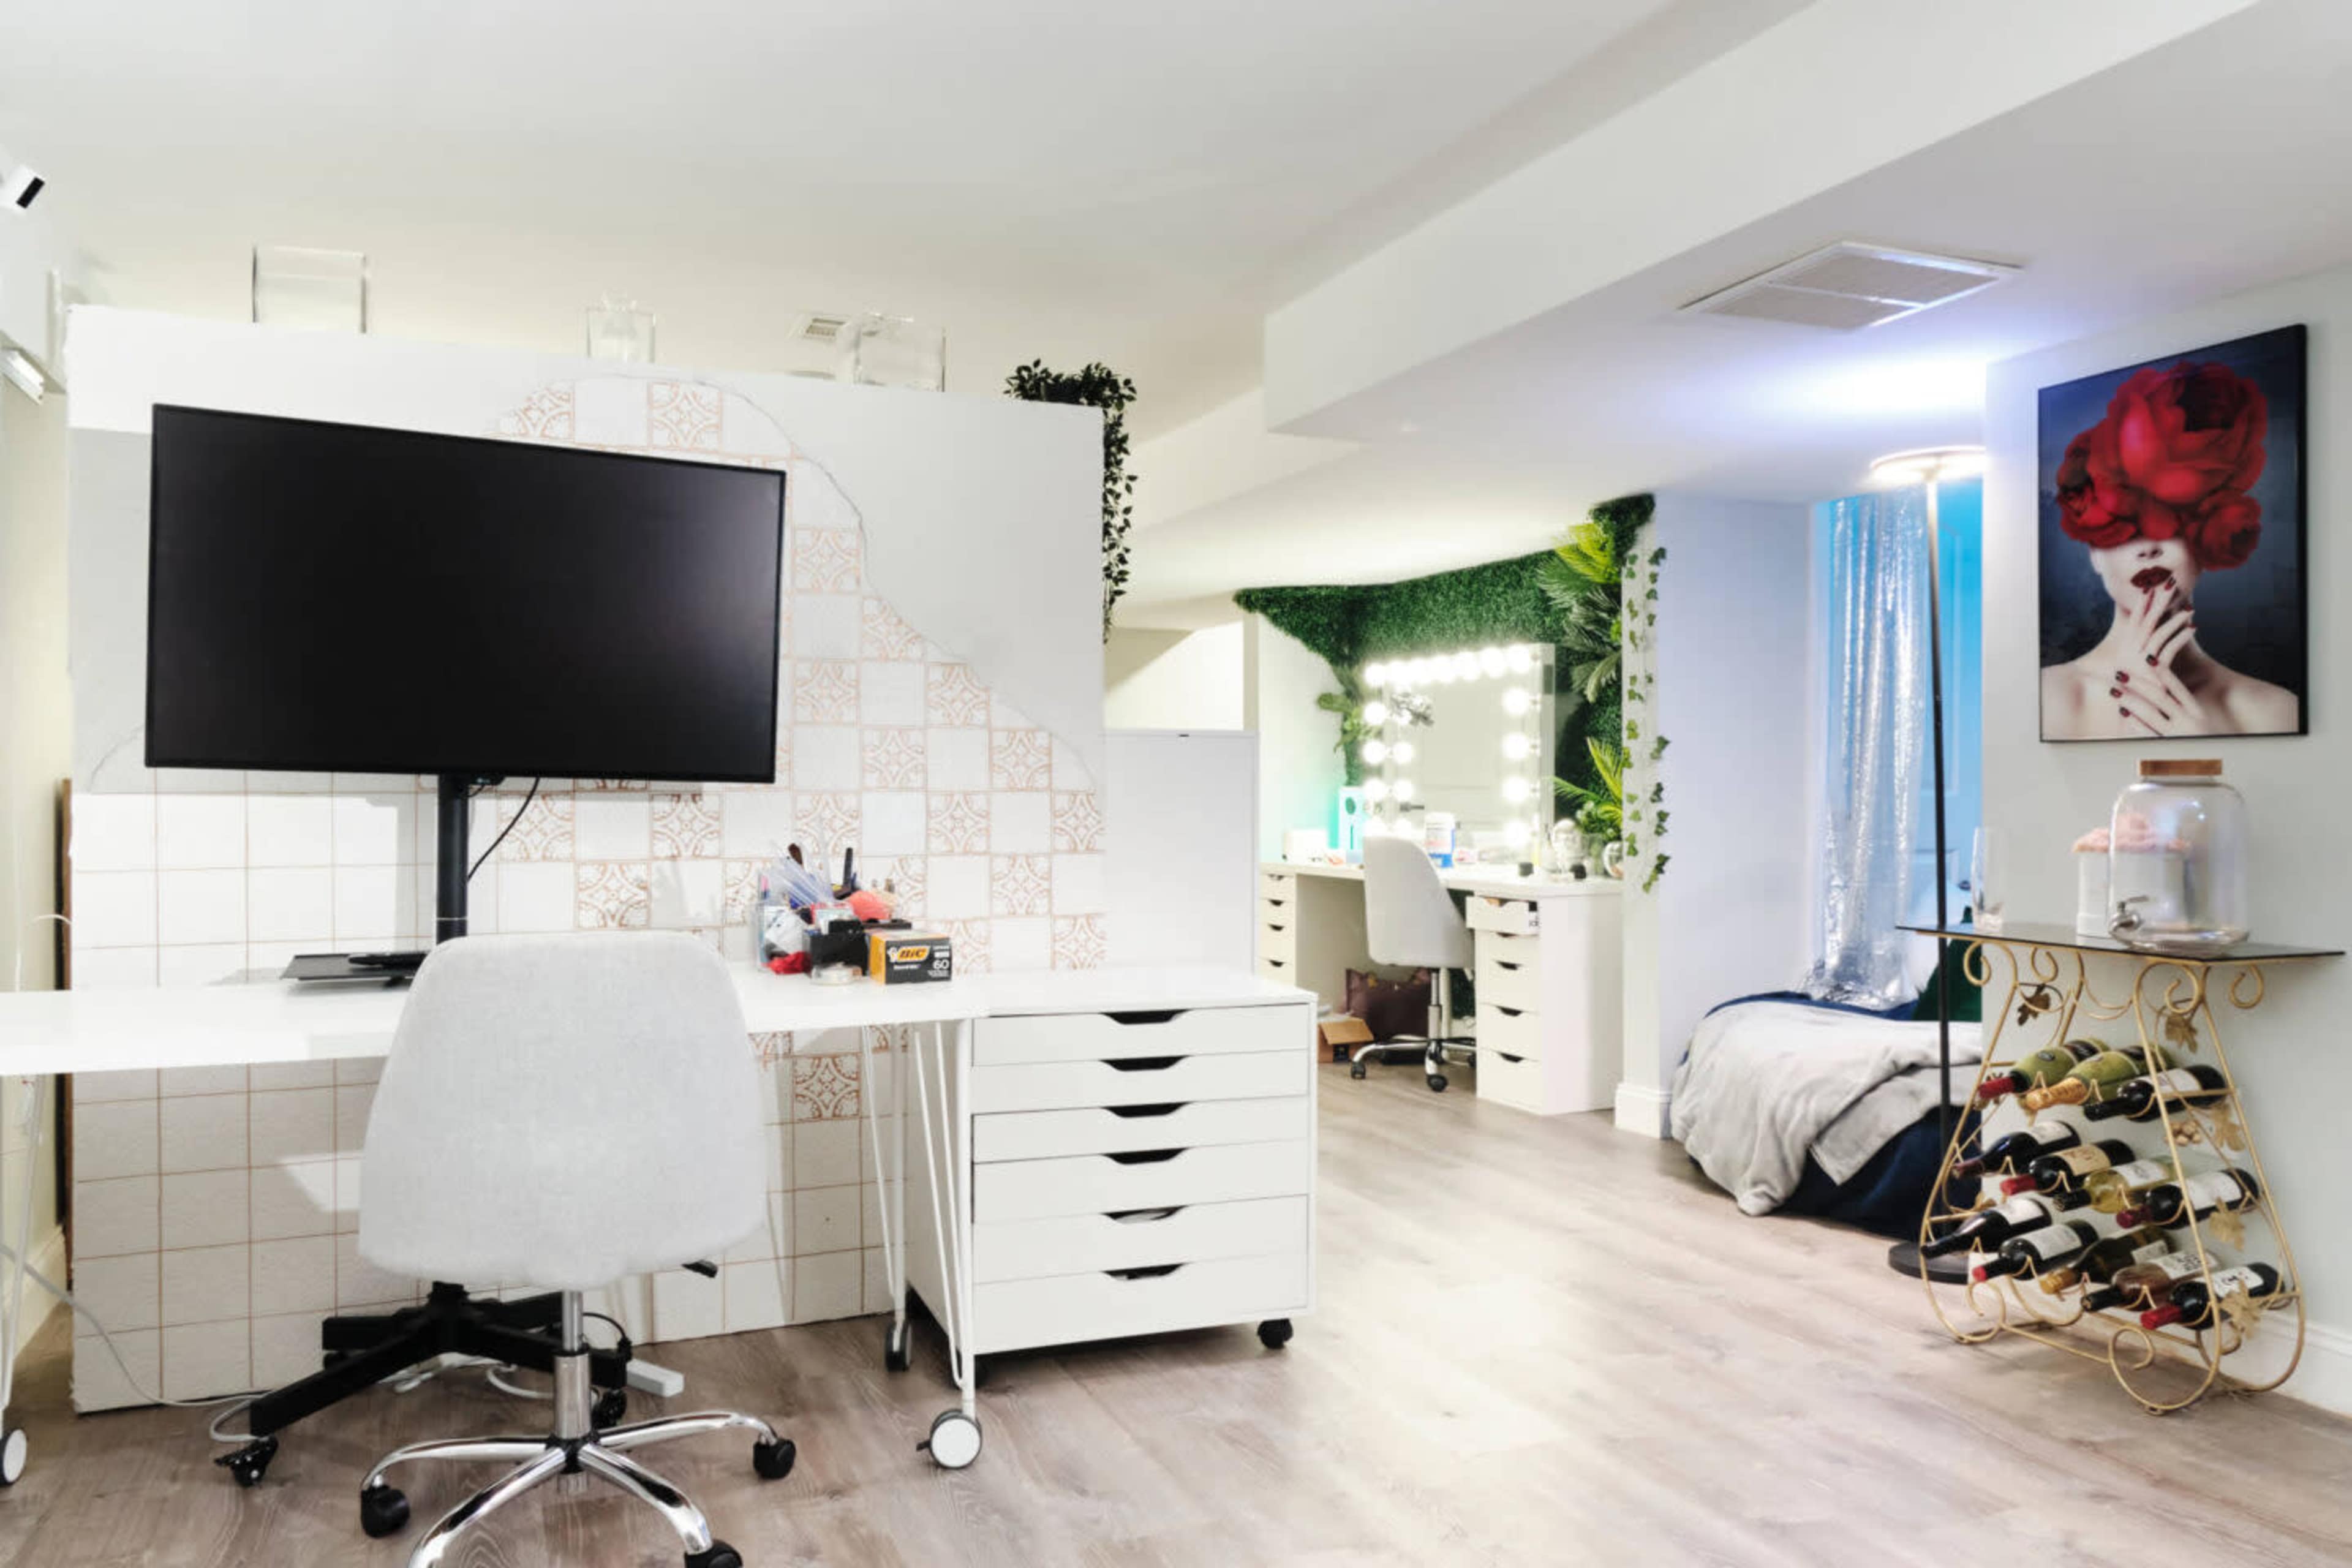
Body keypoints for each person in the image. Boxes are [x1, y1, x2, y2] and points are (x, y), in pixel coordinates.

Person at [2040, 359, 2297, 739]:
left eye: (2171, 520)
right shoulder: (2047, 698)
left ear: (2206, 541)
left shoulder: (2275, 712)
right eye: (2124, 528)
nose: (2148, 549)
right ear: (2094, 553)